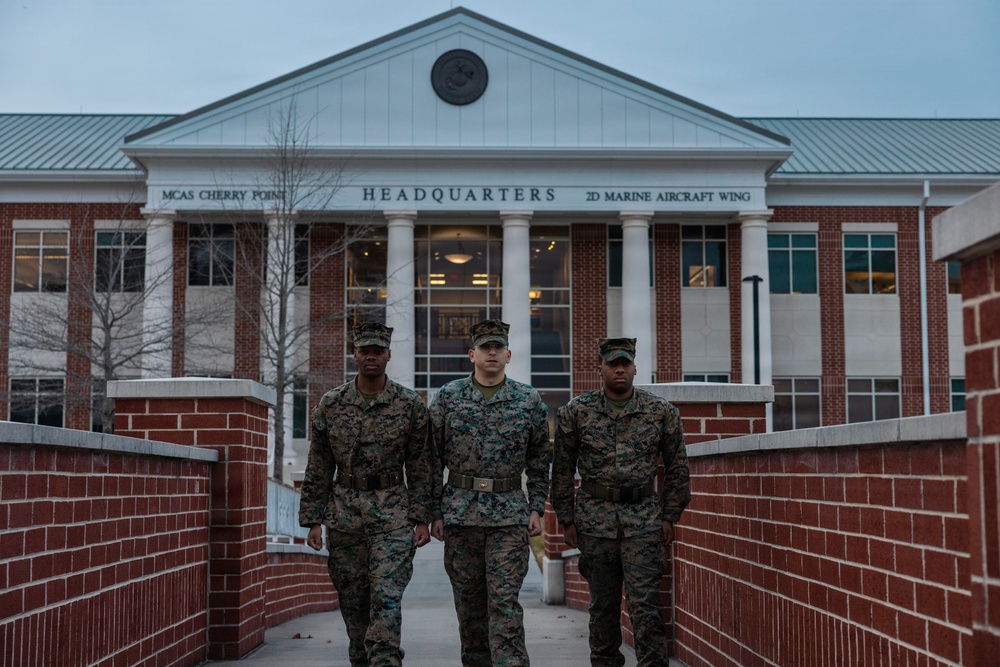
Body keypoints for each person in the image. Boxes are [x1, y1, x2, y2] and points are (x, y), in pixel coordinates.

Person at [299, 322, 433, 667]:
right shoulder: (332, 405)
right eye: (364, 351)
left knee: (387, 598)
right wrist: (313, 520)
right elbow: (318, 465)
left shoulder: (409, 405)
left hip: (393, 515)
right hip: (345, 516)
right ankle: (363, 657)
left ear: (388, 355)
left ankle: (385, 660)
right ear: (355, 354)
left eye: (378, 351)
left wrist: (423, 519)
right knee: (354, 601)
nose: (371, 356)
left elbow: (420, 466)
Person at [552, 337, 691, 667]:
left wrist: (670, 515)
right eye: (612, 364)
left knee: (645, 605)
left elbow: (678, 467)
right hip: (594, 523)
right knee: (603, 607)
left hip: (643, 520)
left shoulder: (660, 412)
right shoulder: (577, 412)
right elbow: (561, 469)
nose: (619, 370)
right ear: (599, 368)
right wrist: (566, 519)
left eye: (624, 364)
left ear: (634, 368)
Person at [428, 318, 550, 667]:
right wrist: (433, 512)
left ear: (509, 355)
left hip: (509, 516)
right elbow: (430, 460)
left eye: (498, 347)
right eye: (485, 347)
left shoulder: (528, 401)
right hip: (460, 515)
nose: (492, 352)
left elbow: (540, 459)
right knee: (469, 609)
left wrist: (537, 507)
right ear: (472, 354)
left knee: (504, 603)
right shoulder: (448, 398)